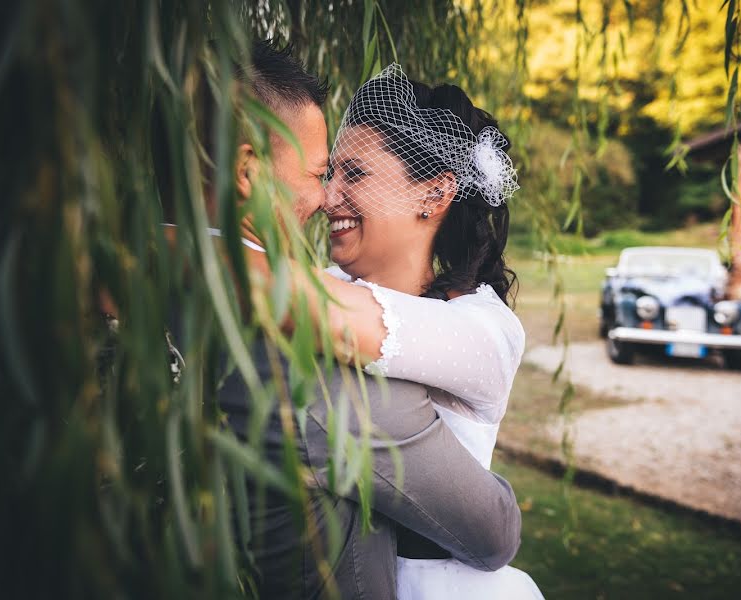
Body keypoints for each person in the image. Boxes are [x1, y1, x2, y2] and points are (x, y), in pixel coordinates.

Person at [165, 41, 525, 599]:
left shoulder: (482, 329)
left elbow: (324, 313)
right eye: (328, 172)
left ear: (434, 192)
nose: (329, 196)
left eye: (353, 174)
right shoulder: (329, 288)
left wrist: (155, 244)